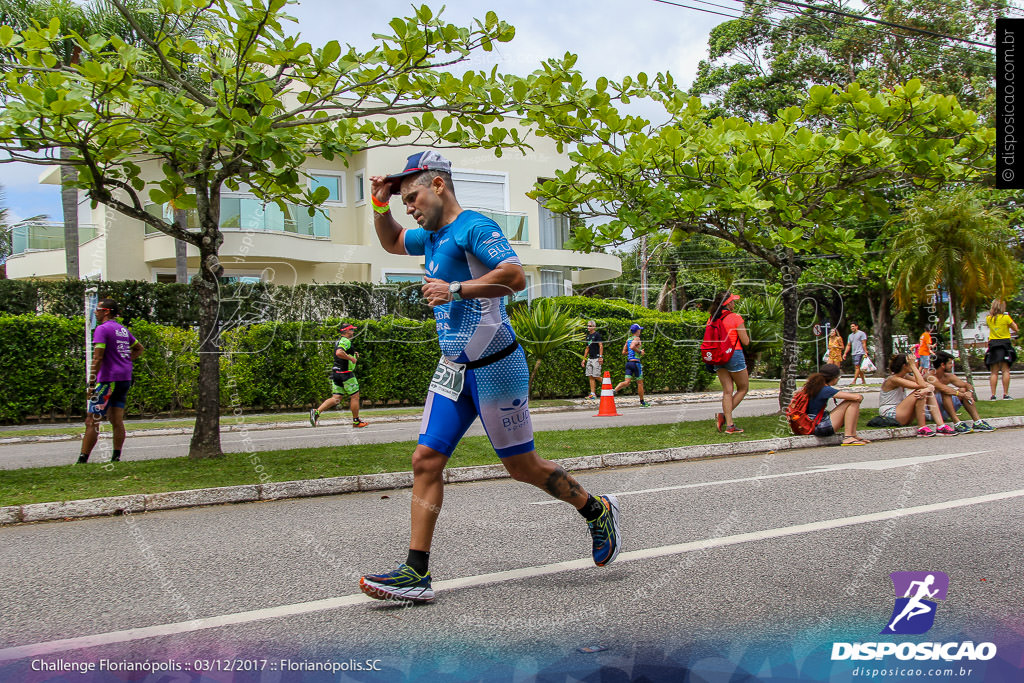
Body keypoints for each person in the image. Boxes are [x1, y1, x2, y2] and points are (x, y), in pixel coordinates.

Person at [360, 151, 620, 602]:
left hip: (497, 367)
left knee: (522, 468)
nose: (410, 206)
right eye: (404, 200)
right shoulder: (432, 236)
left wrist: (454, 288)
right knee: (425, 460)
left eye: (412, 195)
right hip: (452, 371)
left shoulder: (474, 227)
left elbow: (515, 276)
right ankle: (415, 572)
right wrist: (380, 204)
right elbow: (392, 242)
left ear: (438, 185)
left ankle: (595, 510)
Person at [78, 298, 144, 464]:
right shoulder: (122, 330)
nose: (95, 311)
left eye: (98, 309)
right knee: (116, 419)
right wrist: (125, 360)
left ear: (106, 311)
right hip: (124, 378)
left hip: (108, 380)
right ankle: (116, 457)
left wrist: (91, 383)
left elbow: (98, 357)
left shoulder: (102, 329)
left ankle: (82, 459)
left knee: (92, 419)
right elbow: (139, 348)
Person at [878, 354, 956, 436]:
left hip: (901, 413)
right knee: (920, 392)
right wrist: (914, 367)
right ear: (905, 366)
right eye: (911, 364)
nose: (914, 365)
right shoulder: (893, 379)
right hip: (890, 413)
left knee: (924, 392)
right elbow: (922, 385)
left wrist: (927, 389)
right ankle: (922, 427)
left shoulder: (905, 376)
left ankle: (941, 426)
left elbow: (926, 384)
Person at [310, 323, 368, 429]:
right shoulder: (346, 341)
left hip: (336, 373)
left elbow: (342, 351)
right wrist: (351, 359)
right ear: (345, 331)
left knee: (336, 398)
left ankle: (316, 412)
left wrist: (353, 353)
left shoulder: (339, 341)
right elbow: (339, 352)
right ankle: (356, 421)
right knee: (355, 396)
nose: (353, 332)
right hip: (346, 374)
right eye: (351, 330)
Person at [707, 291, 749, 435]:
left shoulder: (712, 319)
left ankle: (730, 425)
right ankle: (725, 417)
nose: (734, 303)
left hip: (718, 356)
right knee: (743, 388)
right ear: (728, 303)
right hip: (733, 354)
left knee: (727, 391)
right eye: (733, 301)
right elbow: (746, 341)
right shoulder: (735, 317)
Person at [799, 364, 869, 445]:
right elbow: (857, 397)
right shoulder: (825, 389)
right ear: (834, 378)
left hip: (812, 424)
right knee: (853, 401)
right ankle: (849, 437)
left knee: (852, 400)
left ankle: (853, 435)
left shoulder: (813, 386)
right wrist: (860, 396)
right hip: (820, 426)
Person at [926, 351, 995, 432]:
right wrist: (962, 395)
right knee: (946, 391)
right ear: (942, 365)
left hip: (944, 410)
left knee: (963, 389)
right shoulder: (929, 376)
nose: (952, 365)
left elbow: (967, 385)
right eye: (950, 363)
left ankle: (977, 422)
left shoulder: (948, 376)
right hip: (931, 412)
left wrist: (969, 392)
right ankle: (957, 423)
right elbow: (944, 389)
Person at [985, 299, 1018, 400]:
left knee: (994, 372)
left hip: (993, 344)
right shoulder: (1006, 317)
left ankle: (993, 395)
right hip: (1004, 344)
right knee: (1005, 370)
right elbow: (1016, 328)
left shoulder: (989, 318)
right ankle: (1005, 394)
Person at [612, 323, 649, 407]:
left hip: (629, 363)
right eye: (640, 330)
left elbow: (624, 352)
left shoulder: (628, 339)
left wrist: (633, 351)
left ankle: (614, 390)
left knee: (627, 382)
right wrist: (640, 352)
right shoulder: (637, 338)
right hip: (636, 363)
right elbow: (632, 346)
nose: (640, 331)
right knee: (640, 383)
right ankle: (642, 402)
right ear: (637, 331)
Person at [581, 320, 603, 400]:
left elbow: (600, 345)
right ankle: (593, 394)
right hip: (590, 358)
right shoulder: (588, 337)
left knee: (596, 375)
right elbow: (587, 348)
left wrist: (600, 357)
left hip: (596, 358)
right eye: (588, 326)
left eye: (590, 326)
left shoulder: (597, 335)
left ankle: (607, 384)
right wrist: (584, 359)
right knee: (590, 376)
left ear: (594, 327)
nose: (588, 327)